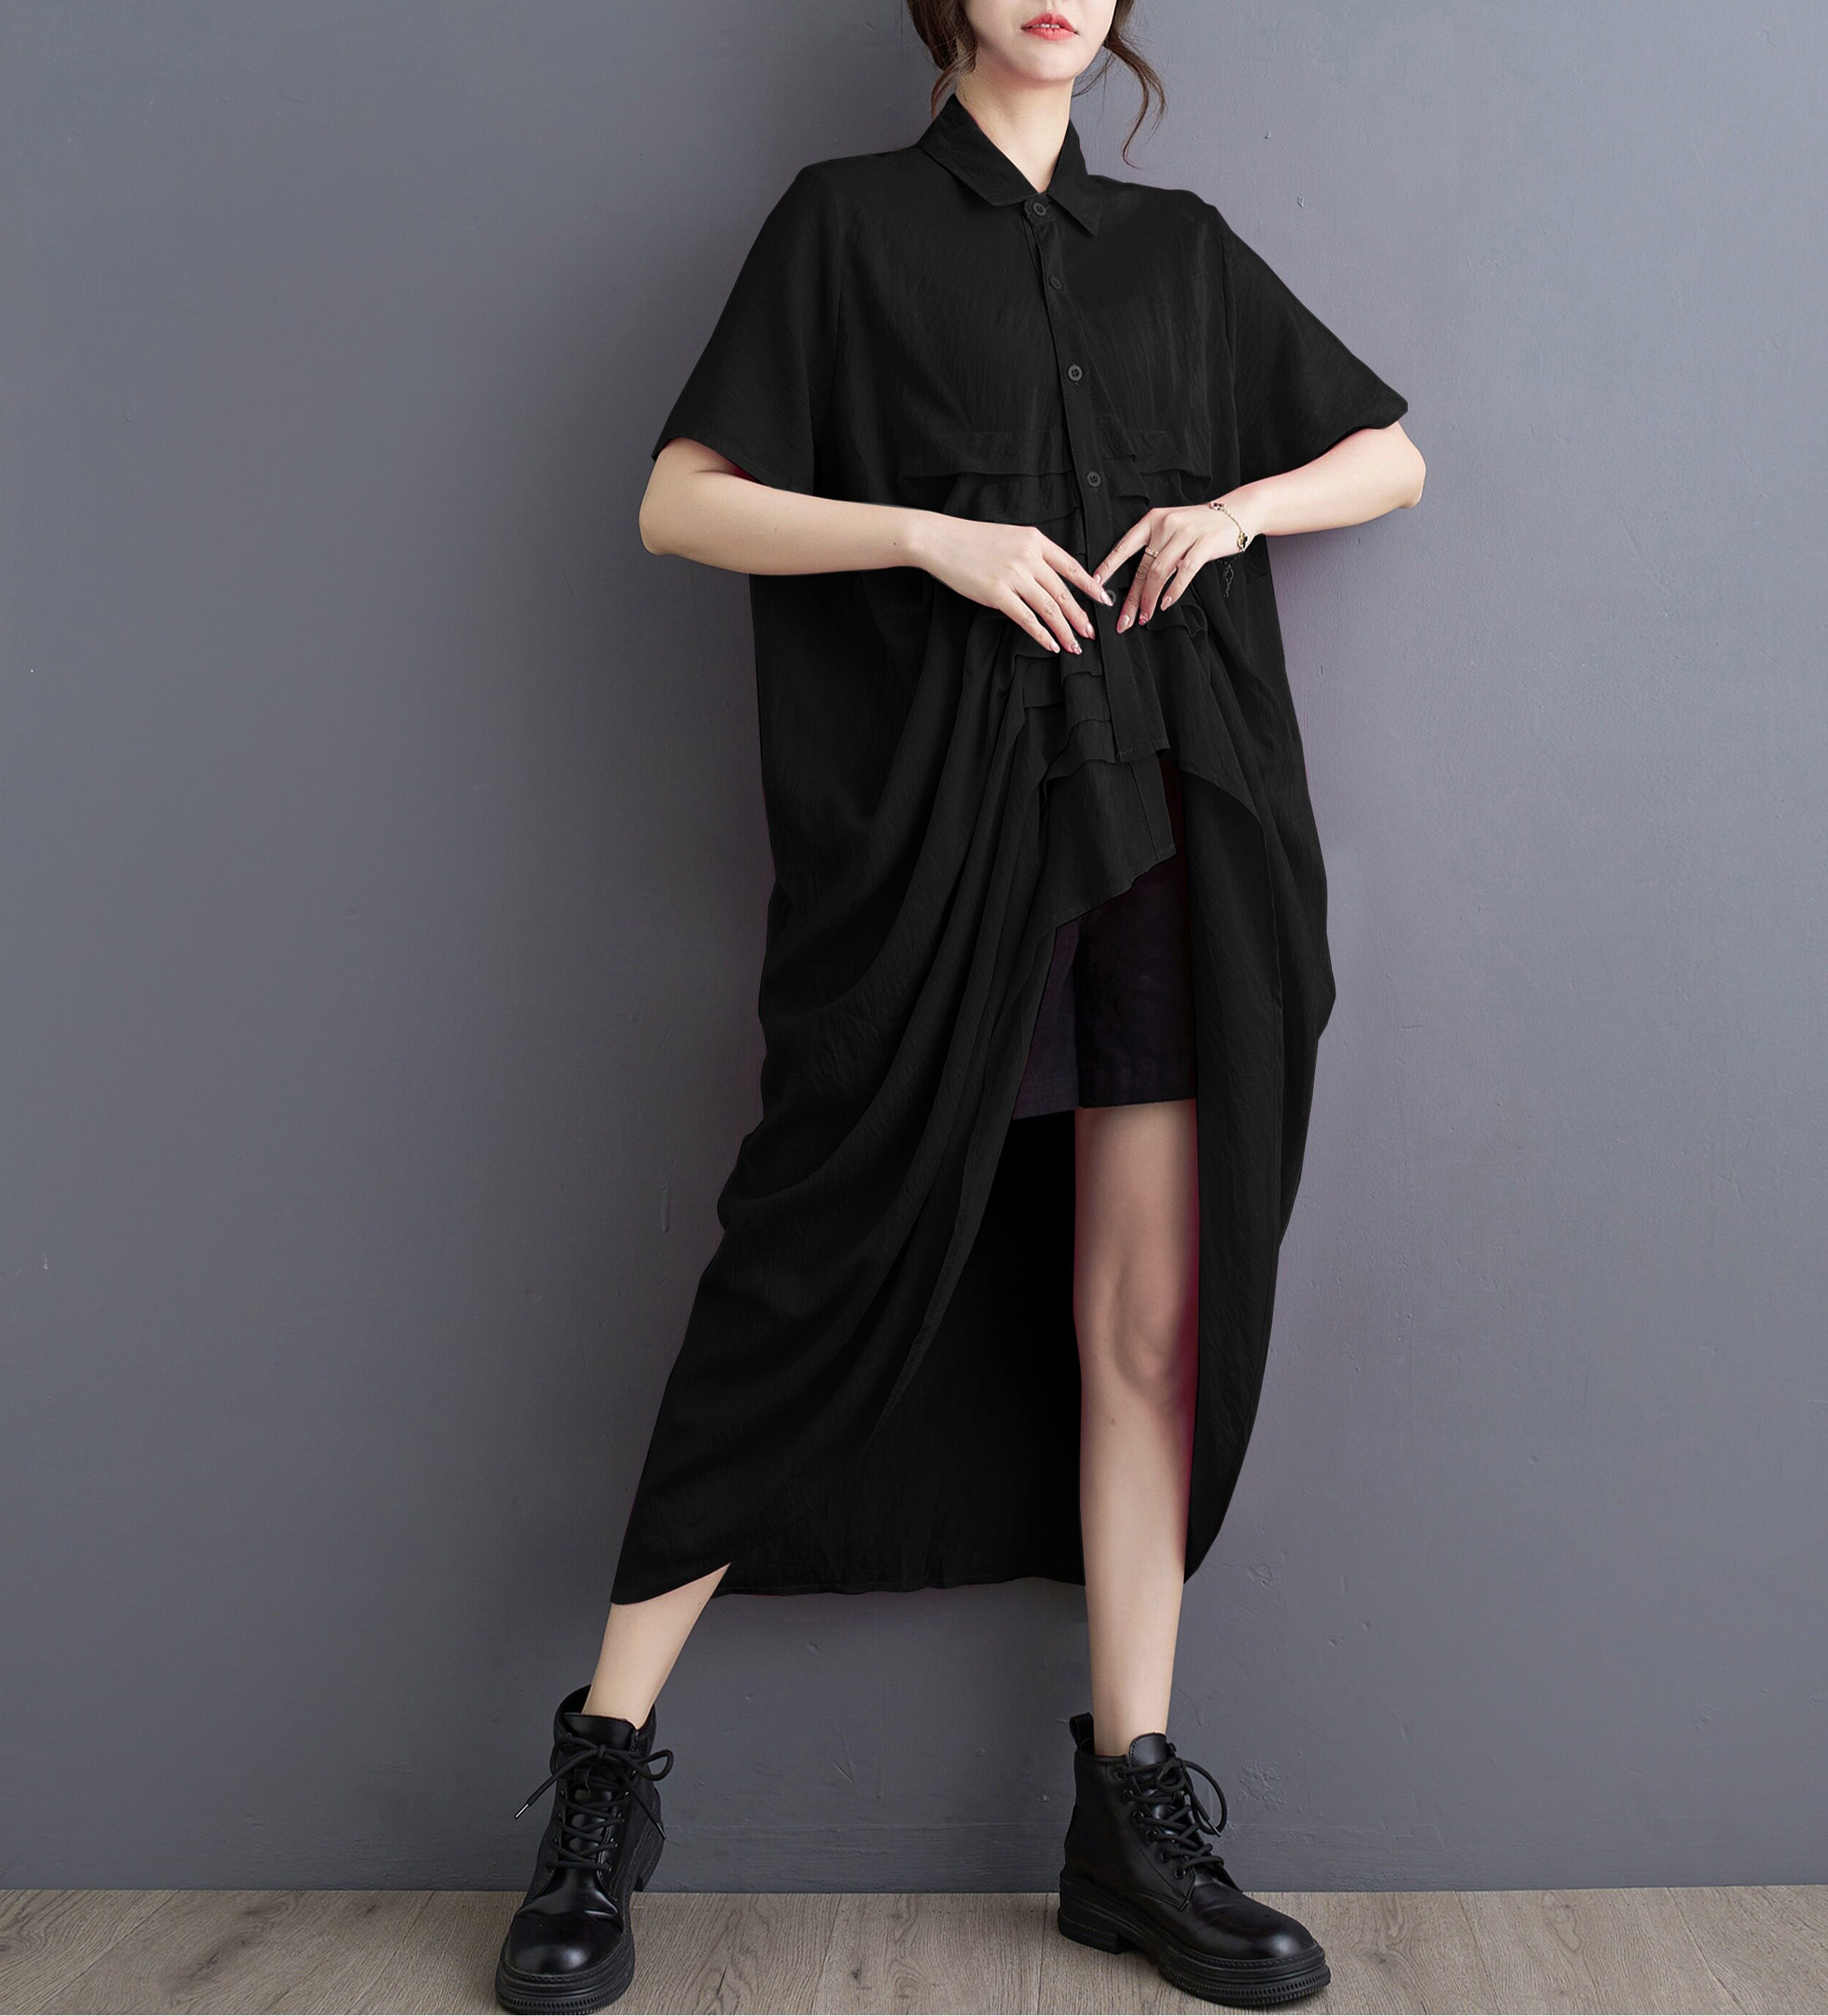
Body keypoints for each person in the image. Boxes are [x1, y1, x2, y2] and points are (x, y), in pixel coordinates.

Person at [493, 3, 1424, 2009]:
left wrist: (1238, 511)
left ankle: (1128, 1812)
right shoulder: (843, 226)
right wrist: (924, 533)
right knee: (812, 1259)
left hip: (1169, 826)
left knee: (1144, 1324)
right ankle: (601, 1781)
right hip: (938, 847)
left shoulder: (1177, 251)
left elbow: (1396, 454)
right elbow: (680, 501)